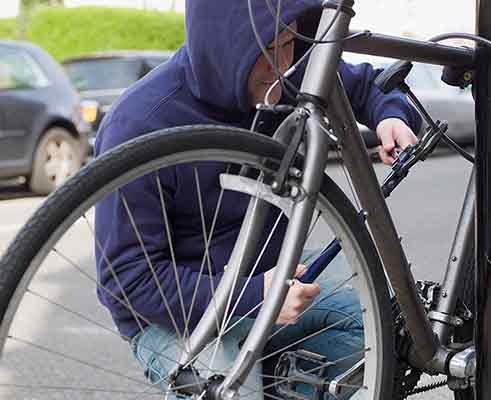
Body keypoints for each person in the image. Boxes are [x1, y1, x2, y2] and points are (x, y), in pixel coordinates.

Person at [94, 0, 422, 398]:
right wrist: (252, 297)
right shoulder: (138, 124)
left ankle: (277, 376)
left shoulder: (287, 77)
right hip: (178, 315)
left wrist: (391, 115)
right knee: (234, 393)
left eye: (288, 44)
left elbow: (365, 84)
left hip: (278, 278)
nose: (282, 64)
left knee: (395, 329)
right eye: (268, 49)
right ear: (226, 44)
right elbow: (127, 278)